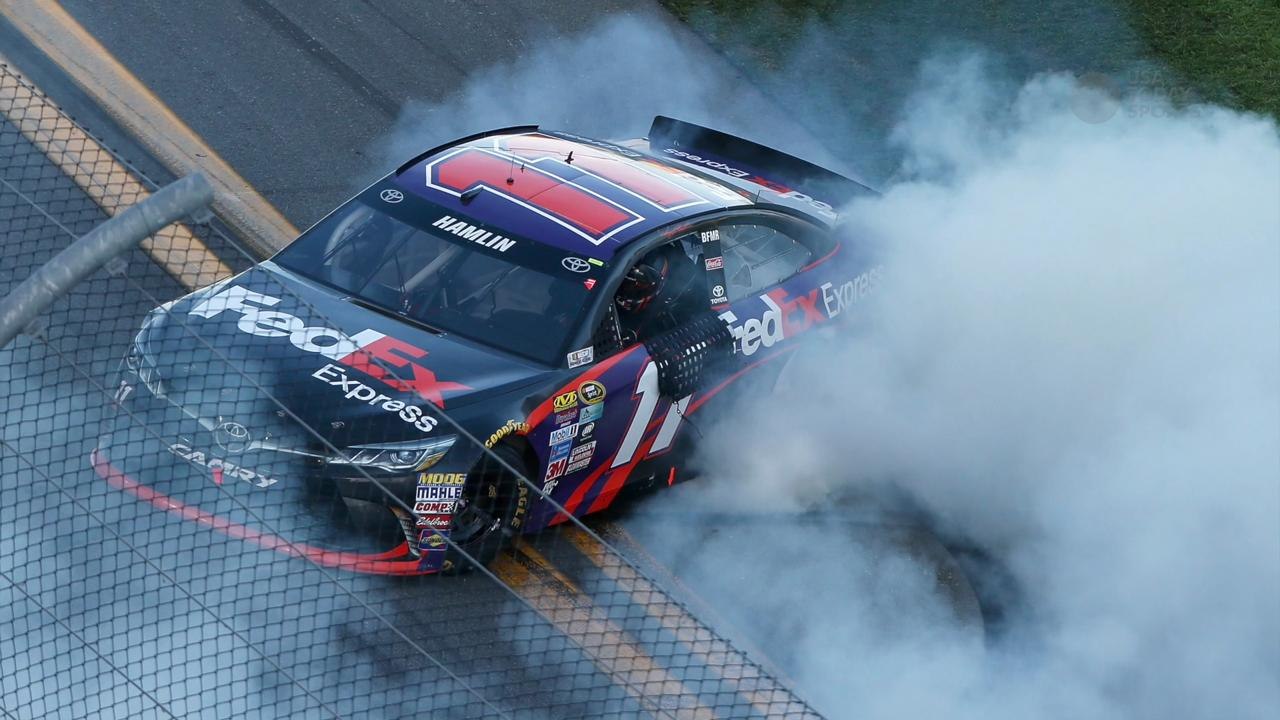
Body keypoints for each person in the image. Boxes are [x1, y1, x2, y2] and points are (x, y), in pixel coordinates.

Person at [615, 241, 701, 345]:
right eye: (626, 284)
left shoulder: (666, 324)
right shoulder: (610, 284)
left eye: (639, 289)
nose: (629, 292)